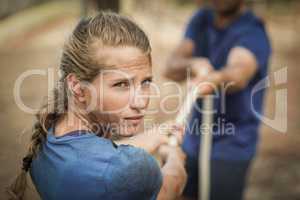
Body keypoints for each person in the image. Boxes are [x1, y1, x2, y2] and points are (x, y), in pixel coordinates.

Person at [7, 12, 187, 200]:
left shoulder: (48, 135)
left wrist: (152, 137)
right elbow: (172, 185)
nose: (141, 102)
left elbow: (98, 157)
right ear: (77, 87)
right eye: (121, 84)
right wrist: (174, 156)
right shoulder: (131, 169)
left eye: (146, 82)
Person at [164, 0, 271, 199]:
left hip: (232, 142)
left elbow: (239, 73)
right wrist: (194, 63)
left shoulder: (252, 30)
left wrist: (212, 79)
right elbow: (170, 67)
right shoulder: (201, 19)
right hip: (194, 137)